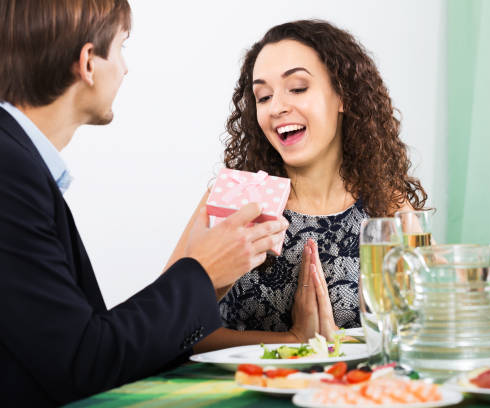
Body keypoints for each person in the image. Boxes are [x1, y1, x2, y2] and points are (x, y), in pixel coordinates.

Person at [0, 1, 287, 406]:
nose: (125, 68)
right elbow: (85, 365)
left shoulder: (20, 163)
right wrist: (200, 271)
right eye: (121, 47)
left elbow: (81, 345)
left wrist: (212, 278)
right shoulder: (9, 169)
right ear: (87, 63)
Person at [170, 20, 428, 352]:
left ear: (343, 97)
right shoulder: (237, 199)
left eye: (298, 88)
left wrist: (334, 343)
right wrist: (292, 342)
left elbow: (424, 327)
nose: (277, 107)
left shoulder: (388, 206)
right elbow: (170, 329)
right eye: (263, 96)